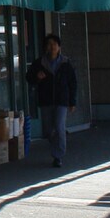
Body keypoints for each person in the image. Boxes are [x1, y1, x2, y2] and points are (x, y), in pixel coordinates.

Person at [25, 34, 78, 168]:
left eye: (55, 44)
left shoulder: (65, 63)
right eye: (49, 44)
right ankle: (56, 145)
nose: (52, 46)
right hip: (46, 100)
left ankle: (58, 156)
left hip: (62, 101)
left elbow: (73, 83)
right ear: (45, 47)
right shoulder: (39, 63)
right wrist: (37, 77)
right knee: (48, 130)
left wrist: (72, 102)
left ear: (59, 47)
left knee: (59, 127)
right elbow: (29, 78)